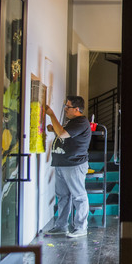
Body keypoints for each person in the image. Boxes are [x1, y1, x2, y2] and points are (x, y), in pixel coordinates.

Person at [44, 96, 92, 238]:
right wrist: (54, 129)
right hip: (62, 163)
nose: (65, 109)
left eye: (68, 107)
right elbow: (65, 134)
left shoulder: (81, 122)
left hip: (74, 164)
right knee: (63, 196)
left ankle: (81, 227)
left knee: (79, 196)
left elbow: (63, 134)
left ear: (77, 109)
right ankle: (61, 226)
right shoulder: (72, 122)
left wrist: (51, 114)